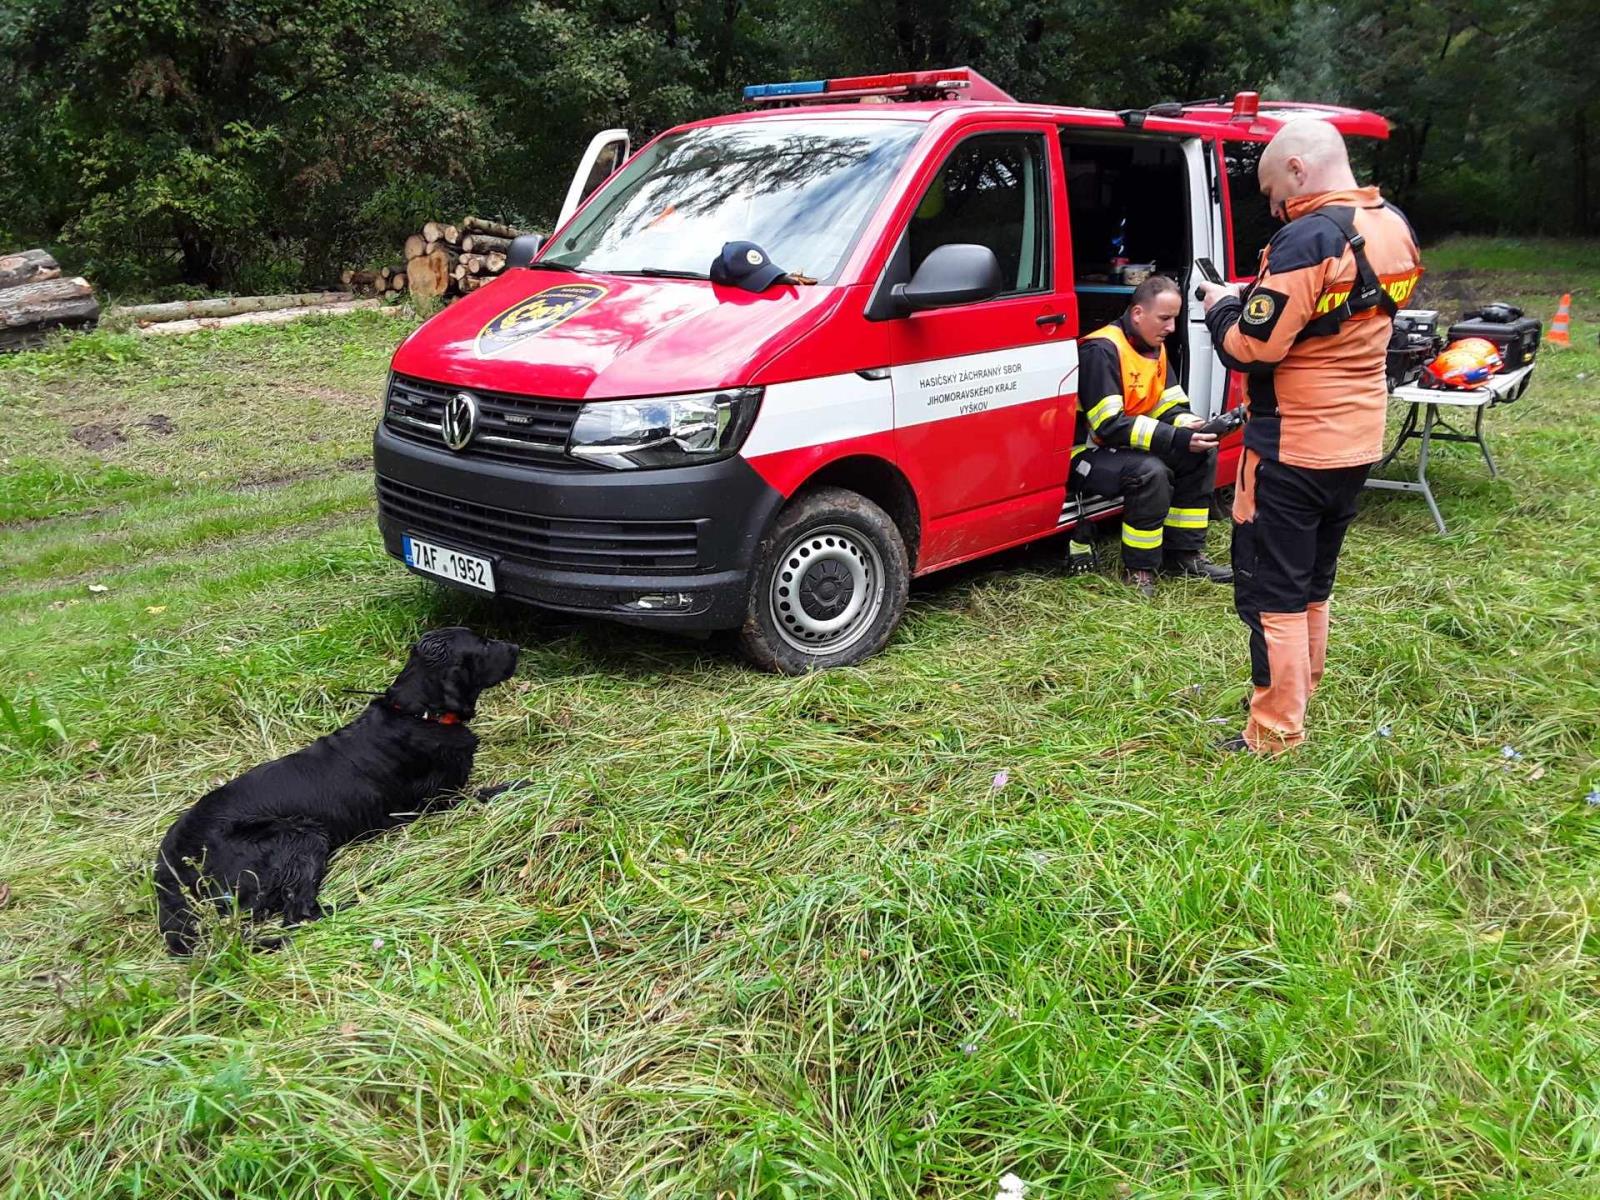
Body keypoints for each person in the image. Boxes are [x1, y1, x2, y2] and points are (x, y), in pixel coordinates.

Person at [1196, 120, 1423, 755]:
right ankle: (1299, 695)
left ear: (1298, 169)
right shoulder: (1391, 226)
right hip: (1356, 437)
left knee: (1274, 593)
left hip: (1293, 446)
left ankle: (1274, 732)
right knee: (1313, 582)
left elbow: (1251, 347)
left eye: (1274, 194)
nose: (1276, 208)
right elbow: (1335, 313)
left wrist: (1220, 305)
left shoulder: (1306, 238)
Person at [1071, 275, 1232, 596]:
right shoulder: (1101, 350)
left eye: (1174, 318)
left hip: (1125, 447)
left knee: (1201, 452)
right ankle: (1139, 569)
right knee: (1150, 473)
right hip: (1085, 455)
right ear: (1137, 314)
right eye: (1165, 318)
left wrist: (1192, 427)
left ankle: (1184, 554)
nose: (1172, 327)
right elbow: (1108, 426)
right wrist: (1175, 438)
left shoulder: (1153, 347)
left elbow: (1169, 405)